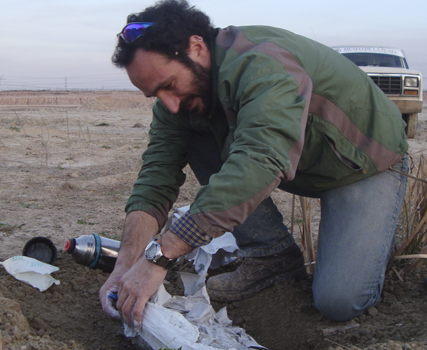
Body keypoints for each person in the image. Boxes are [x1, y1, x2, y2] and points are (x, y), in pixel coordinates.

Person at [99, 0, 409, 330]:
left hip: (362, 164)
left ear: (196, 47)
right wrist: (126, 264)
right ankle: (270, 254)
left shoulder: (263, 64)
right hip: (295, 160)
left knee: (339, 300)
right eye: (155, 95)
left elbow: (261, 161)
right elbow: (156, 177)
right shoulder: (177, 103)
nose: (169, 105)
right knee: (194, 136)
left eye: (169, 85)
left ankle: (373, 243)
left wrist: (161, 255)